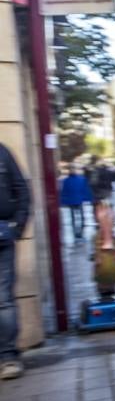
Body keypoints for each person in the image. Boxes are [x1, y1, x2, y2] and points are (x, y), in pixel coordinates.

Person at [0, 142, 30, 380]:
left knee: (3, 299)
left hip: (1, 234)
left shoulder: (2, 152)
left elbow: (21, 189)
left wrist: (16, 228)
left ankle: (8, 356)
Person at [60, 163, 93, 242]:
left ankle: (79, 233)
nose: (72, 170)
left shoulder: (80, 179)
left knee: (81, 218)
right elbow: (64, 192)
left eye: (73, 169)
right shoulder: (67, 181)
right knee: (74, 219)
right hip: (73, 201)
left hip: (78, 200)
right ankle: (76, 233)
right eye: (71, 169)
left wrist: (88, 198)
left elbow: (85, 189)